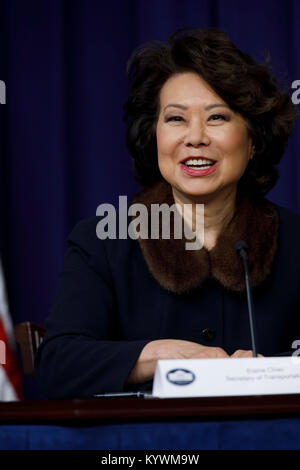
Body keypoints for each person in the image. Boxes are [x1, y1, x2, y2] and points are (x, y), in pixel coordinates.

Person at [35, 27, 300, 399]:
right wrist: (160, 355)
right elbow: (58, 365)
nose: (195, 137)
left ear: (253, 139)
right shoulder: (104, 241)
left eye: (218, 118)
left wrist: (273, 371)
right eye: (176, 119)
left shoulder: (294, 242)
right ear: (154, 135)